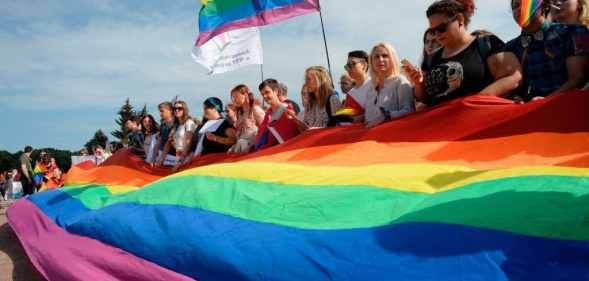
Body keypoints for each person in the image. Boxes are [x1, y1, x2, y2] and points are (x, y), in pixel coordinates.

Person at [404, 0, 522, 106]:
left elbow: (514, 76)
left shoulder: (487, 44)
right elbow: (423, 100)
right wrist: (418, 84)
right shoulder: (431, 59)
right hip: (441, 126)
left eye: (441, 28)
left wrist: (474, 102)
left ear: (460, 20)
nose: (437, 34)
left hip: (479, 123)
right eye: (433, 30)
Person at [506, 0, 588, 101]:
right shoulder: (511, 47)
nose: (518, 10)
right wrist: (515, 98)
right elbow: (511, 85)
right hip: (527, 111)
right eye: (515, 6)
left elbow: (577, 78)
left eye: (525, 4)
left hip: (567, 106)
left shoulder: (572, 33)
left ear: (544, 6)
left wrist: (546, 101)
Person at [363, 43, 416, 128]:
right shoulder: (370, 89)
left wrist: (387, 116)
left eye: (385, 56)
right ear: (371, 62)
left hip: (394, 134)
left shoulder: (400, 81)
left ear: (392, 59)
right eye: (376, 57)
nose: (380, 59)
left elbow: (409, 111)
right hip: (369, 136)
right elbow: (368, 120)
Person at [255, 79, 302, 150]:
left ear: (276, 91)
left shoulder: (287, 108)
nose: (264, 96)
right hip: (273, 150)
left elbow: (297, 131)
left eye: (267, 92)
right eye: (262, 94)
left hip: (290, 149)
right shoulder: (268, 114)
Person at [228, 85, 265, 154]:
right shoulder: (239, 113)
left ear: (245, 95)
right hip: (241, 147)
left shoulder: (255, 109)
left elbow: (265, 129)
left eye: (236, 96)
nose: (234, 100)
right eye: (233, 98)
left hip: (253, 148)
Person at [339, 50, 371, 122]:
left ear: (364, 65)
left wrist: (362, 117)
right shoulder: (350, 94)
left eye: (353, 64)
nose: (349, 68)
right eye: (347, 66)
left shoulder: (376, 85)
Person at [164, 101, 197, 169]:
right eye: (174, 108)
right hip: (178, 156)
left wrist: (180, 161)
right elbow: (177, 144)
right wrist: (172, 141)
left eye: (179, 108)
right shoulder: (177, 126)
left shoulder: (189, 122)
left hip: (186, 158)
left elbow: (188, 143)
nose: (176, 110)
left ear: (184, 110)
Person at [155, 102, 177, 167]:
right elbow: (159, 141)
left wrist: (161, 160)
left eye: (162, 111)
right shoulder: (163, 124)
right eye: (160, 111)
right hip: (162, 156)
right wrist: (153, 159)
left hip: (171, 159)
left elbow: (169, 142)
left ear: (170, 111)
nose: (160, 114)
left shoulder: (175, 124)